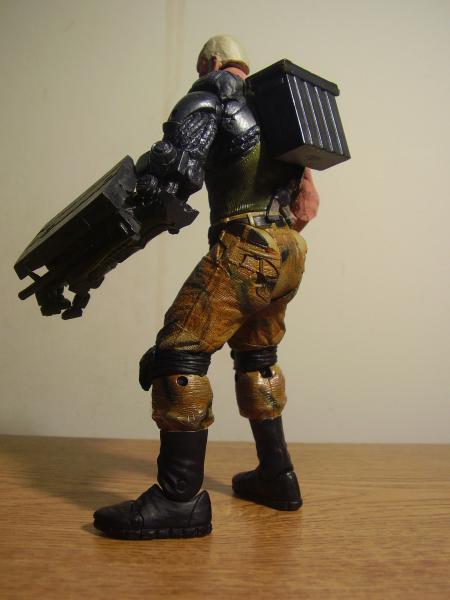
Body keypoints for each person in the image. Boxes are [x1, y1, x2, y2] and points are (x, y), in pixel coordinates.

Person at [93, 35, 319, 540]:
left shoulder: (213, 94)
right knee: (258, 357)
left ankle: (180, 500)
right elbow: (307, 205)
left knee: (179, 351)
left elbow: (177, 168)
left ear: (212, 62)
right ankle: (278, 476)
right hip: (289, 250)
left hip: (246, 244)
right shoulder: (278, 110)